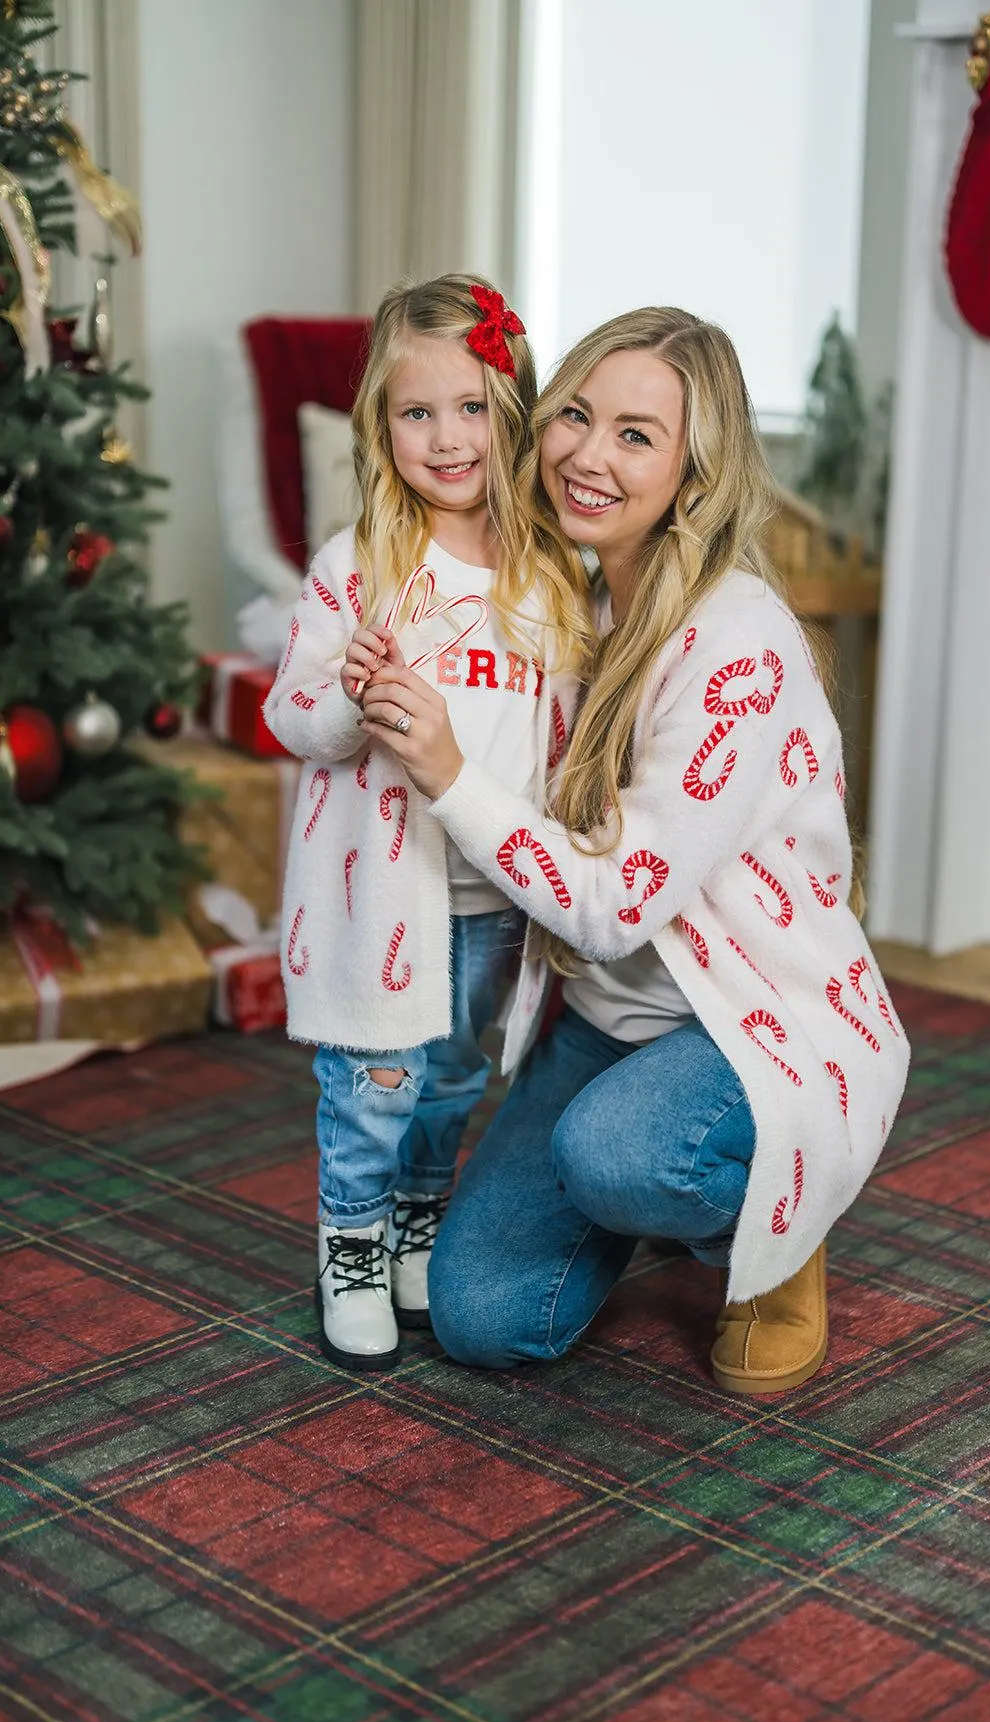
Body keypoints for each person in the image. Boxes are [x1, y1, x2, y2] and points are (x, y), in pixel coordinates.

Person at [360, 306, 910, 1394]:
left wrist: (448, 775)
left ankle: (774, 1237)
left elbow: (614, 906)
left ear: (693, 476)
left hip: (745, 1024)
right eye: (575, 415)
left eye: (636, 435)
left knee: (614, 1154)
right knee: (481, 1319)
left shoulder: (736, 641)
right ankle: (647, 1186)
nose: (588, 454)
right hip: (603, 1025)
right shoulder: (568, 604)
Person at [263, 274, 586, 1373]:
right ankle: (349, 1237)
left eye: (473, 409)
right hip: (385, 898)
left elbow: (567, 727)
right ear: (380, 425)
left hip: (493, 893)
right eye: (417, 412)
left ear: (516, 415)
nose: (447, 439)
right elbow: (291, 715)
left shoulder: (551, 575)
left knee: (451, 1077)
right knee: (373, 1084)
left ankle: (417, 1212)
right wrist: (346, 700)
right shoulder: (361, 567)